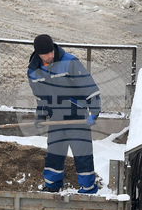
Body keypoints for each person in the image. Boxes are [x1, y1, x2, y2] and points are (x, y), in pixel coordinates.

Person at [27, 34, 101, 194]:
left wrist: (94, 111)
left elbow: (90, 88)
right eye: (46, 53)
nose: (50, 55)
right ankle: (52, 185)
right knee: (54, 154)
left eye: (51, 51)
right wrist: (41, 116)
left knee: (82, 155)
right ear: (38, 54)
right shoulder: (34, 71)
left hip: (76, 117)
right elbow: (41, 98)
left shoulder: (69, 62)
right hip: (56, 119)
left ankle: (88, 188)